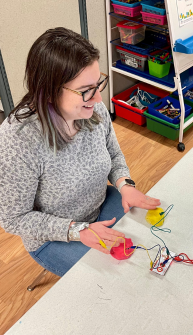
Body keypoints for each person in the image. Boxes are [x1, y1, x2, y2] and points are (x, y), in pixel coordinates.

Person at [0, 28, 161, 277]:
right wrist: (78, 231)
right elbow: (13, 218)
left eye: (98, 84)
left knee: (150, 247)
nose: (98, 97)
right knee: (115, 283)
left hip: (100, 207)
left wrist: (125, 184)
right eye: (87, 89)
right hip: (52, 236)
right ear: (51, 90)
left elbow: (114, 154)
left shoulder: (93, 110)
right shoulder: (18, 139)